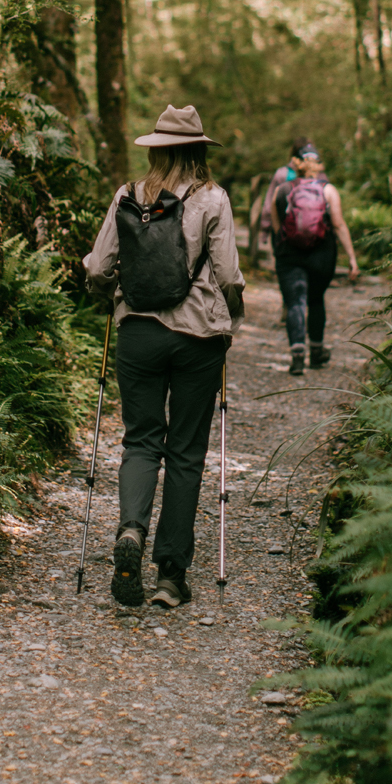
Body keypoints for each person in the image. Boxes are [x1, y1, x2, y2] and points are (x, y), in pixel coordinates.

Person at [83, 104, 244, 610]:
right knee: (186, 452)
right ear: (198, 149)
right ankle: (171, 577)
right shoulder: (213, 198)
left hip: (137, 333)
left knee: (140, 440)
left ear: (156, 148)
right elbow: (229, 274)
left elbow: (96, 266)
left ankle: (131, 531)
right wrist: (231, 318)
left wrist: (114, 290)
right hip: (198, 337)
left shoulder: (128, 195)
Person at [270, 144, 359, 376]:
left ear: (296, 165)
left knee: (295, 302)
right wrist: (351, 258)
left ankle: (297, 357)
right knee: (316, 300)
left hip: (290, 257)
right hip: (322, 255)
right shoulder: (328, 190)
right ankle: (317, 352)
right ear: (318, 166)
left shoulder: (281, 190)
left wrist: (279, 255)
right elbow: (338, 224)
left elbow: (278, 229)